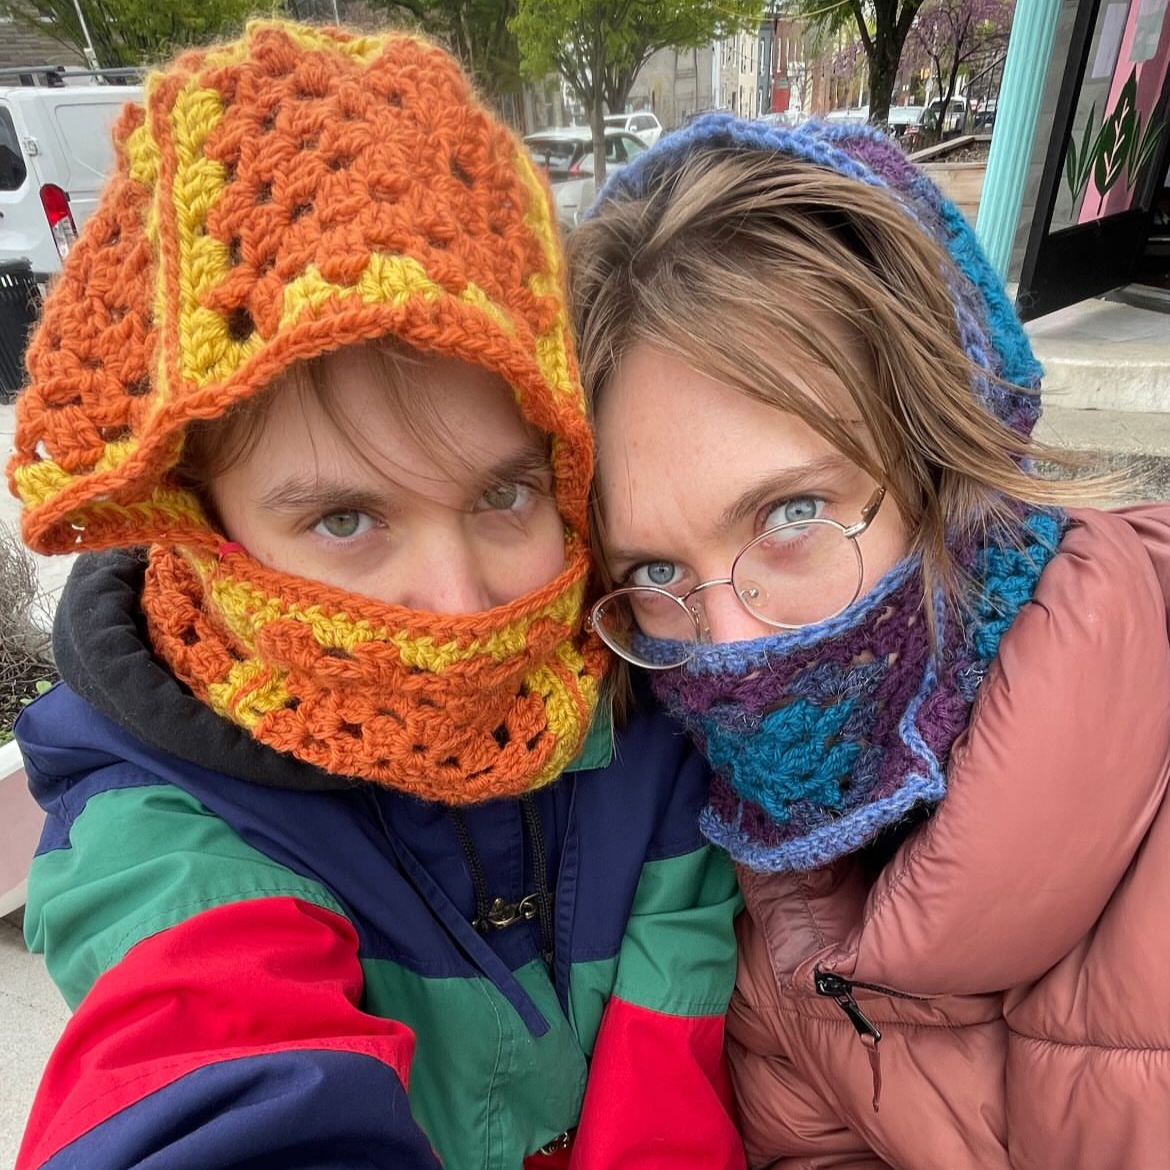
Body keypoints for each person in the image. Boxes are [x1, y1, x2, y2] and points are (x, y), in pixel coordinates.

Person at [6, 24, 745, 1170]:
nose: (455, 603)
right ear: (197, 516)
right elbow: (210, 1080)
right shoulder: (159, 843)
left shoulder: (638, 693)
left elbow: (676, 1021)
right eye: (345, 519)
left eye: (505, 492)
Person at [569, 113, 1170, 1169]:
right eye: (656, 575)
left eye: (792, 513)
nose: (735, 643)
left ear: (949, 466)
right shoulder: (759, 890)